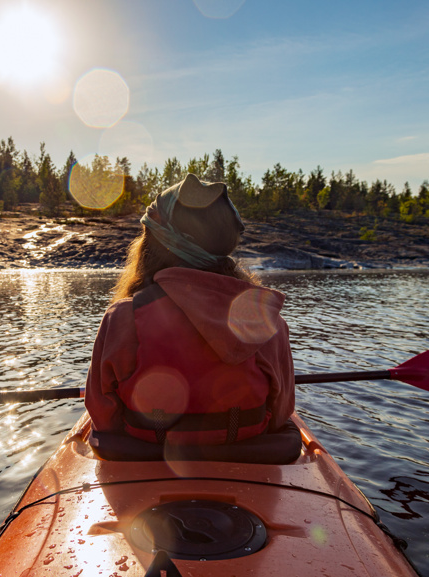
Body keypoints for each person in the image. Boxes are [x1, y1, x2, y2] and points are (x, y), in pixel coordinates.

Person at [85, 174, 297, 461]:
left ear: (153, 245)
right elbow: (281, 412)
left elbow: (102, 416)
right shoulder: (266, 320)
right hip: (247, 457)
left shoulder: (122, 317)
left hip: (143, 457)